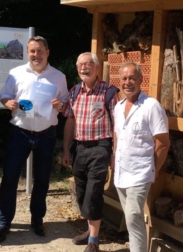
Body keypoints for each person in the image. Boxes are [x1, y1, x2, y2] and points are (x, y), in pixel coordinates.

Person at [0, 36, 69, 243]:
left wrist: (60, 105)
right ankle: (4, 222)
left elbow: (65, 102)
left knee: (42, 180)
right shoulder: (16, 73)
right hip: (20, 132)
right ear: (28, 53)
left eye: (39, 51)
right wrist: (8, 102)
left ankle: (37, 219)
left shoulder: (59, 77)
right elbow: (4, 95)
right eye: (32, 51)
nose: (35, 55)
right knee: (9, 178)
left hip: (46, 134)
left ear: (47, 52)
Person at [62, 52, 118, 252]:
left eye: (88, 64)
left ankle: (94, 241)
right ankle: (89, 230)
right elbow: (70, 120)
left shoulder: (109, 91)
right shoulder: (74, 91)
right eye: (80, 65)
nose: (84, 68)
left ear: (96, 68)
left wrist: (113, 152)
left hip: (100, 147)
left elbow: (117, 125)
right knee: (82, 191)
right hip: (79, 148)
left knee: (94, 193)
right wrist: (66, 149)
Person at [112, 62, 170, 252]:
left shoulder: (151, 106)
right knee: (131, 219)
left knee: (133, 216)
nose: (127, 82)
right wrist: (114, 159)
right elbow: (117, 136)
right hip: (121, 172)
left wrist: (155, 169)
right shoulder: (118, 107)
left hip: (141, 172)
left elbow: (162, 142)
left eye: (132, 78)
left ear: (140, 80)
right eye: (124, 78)